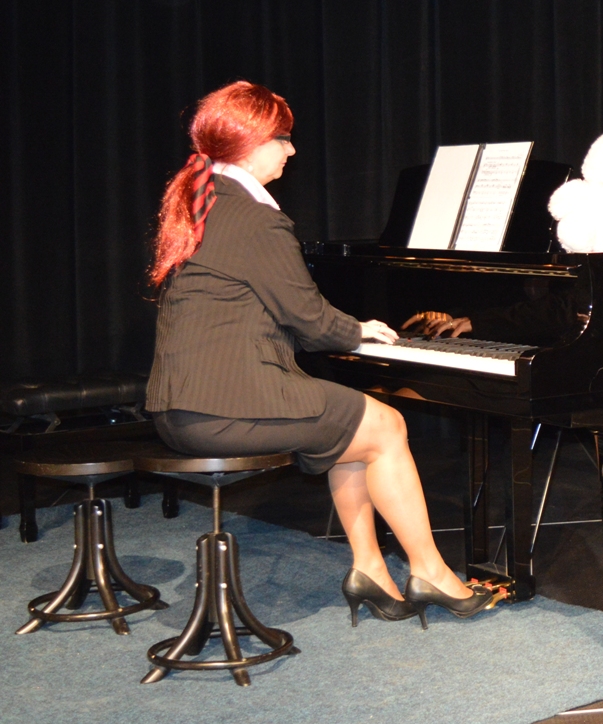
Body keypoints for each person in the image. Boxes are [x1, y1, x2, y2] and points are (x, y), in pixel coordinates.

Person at [145, 81, 504, 625]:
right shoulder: (255, 218)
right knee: (388, 426)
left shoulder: (206, 202)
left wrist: (349, 332)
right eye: (283, 139)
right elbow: (308, 319)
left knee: (354, 428)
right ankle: (429, 570)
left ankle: (370, 569)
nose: (291, 151)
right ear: (251, 141)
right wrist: (360, 330)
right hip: (223, 408)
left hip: (181, 407)